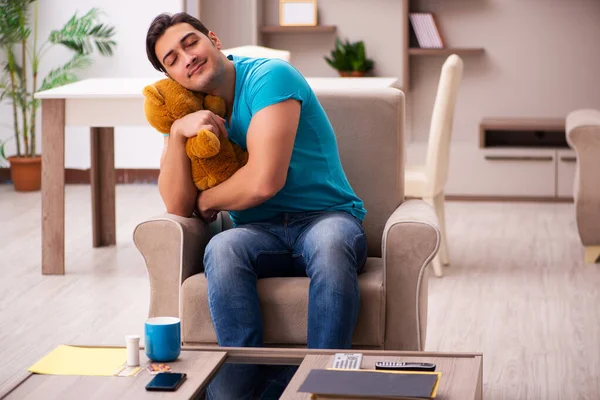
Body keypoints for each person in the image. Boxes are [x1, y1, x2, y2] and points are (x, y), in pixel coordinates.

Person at [145, 12, 368, 399]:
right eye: (172, 59)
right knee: (222, 247)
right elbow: (177, 205)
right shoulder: (185, 109)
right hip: (257, 231)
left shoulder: (270, 76)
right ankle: (241, 390)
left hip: (326, 217)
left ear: (213, 39)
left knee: (332, 244)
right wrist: (178, 133)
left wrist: (208, 199)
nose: (186, 58)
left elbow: (265, 180)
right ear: (171, 76)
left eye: (190, 43)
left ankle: (322, 386)